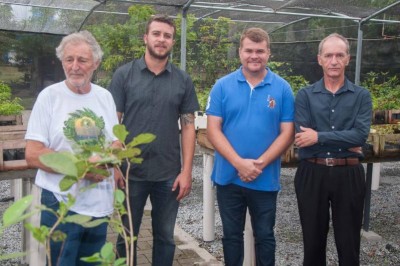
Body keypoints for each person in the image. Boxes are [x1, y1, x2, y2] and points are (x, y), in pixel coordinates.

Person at [108, 15, 199, 265]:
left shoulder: (183, 80)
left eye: (167, 36)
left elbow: (189, 126)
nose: (161, 40)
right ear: (145, 38)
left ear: (172, 41)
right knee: (127, 237)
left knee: (165, 237)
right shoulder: (124, 75)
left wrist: (187, 171)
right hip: (129, 173)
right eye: (157, 34)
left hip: (168, 174)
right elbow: (113, 123)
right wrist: (115, 165)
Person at [25, 30, 122, 266]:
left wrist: (115, 157)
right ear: (62, 62)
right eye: (69, 59)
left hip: (99, 205)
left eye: (82, 60)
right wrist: (82, 168)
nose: (75, 66)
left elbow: (114, 142)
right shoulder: (49, 97)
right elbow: (33, 154)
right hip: (60, 204)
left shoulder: (105, 97)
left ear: (95, 63)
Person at [206, 27, 295, 266]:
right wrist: (238, 163)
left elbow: (287, 134)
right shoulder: (222, 86)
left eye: (260, 51)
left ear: (268, 54)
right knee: (231, 237)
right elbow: (213, 129)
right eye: (249, 50)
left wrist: (258, 165)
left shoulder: (283, 88)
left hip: (265, 178)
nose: (254, 56)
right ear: (239, 53)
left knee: (265, 236)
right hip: (228, 177)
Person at [294, 33, 372, 266]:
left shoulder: (361, 96)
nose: (334, 61)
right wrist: (345, 140)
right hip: (312, 173)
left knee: (349, 246)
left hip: (348, 175)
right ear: (320, 59)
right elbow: (301, 137)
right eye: (329, 55)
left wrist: (318, 136)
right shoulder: (305, 95)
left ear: (348, 59)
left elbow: (360, 135)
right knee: (312, 244)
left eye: (339, 55)